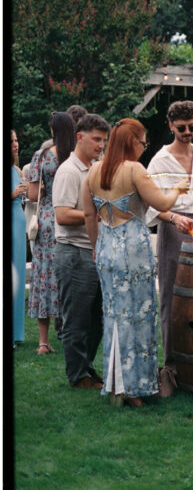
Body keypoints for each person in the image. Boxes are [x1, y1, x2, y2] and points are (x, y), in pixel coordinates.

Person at [82, 118, 190, 407]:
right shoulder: (134, 169)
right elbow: (162, 203)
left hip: (106, 248)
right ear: (132, 142)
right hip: (133, 251)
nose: (145, 147)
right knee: (139, 316)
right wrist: (178, 188)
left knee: (114, 316)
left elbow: (89, 215)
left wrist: (95, 246)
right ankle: (135, 386)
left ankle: (117, 384)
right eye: (143, 142)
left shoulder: (94, 171)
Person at [145, 101, 193, 374]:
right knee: (172, 295)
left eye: (192, 128)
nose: (187, 133)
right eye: (182, 128)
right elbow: (150, 204)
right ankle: (172, 364)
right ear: (171, 126)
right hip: (172, 226)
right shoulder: (159, 160)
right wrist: (174, 217)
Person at [52, 113, 111, 388]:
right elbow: (62, 215)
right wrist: (95, 214)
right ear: (80, 137)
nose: (101, 145)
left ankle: (86, 368)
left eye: (104, 140)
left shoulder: (95, 168)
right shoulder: (68, 171)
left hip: (92, 251)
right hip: (74, 253)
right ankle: (77, 376)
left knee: (96, 319)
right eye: (96, 139)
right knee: (76, 319)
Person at [27, 112, 76, 354]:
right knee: (71, 277)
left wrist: (44, 189)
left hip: (48, 219)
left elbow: (33, 195)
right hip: (72, 218)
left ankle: (43, 342)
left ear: (53, 131)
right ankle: (71, 335)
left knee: (44, 277)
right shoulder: (75, 156)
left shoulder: (42, 156)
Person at [11, 130, 29, 347]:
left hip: (19, 223)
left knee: (19, 275)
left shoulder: (16, 169)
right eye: (11, 142)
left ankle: (16, 332)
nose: (15, 144)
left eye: (16, 140)